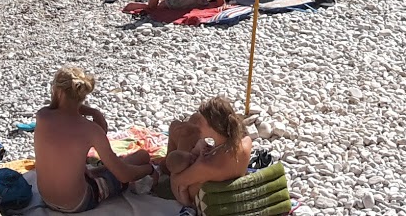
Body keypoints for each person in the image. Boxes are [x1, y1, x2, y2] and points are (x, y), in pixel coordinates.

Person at [34, 66, 152, 213]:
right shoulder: (90, 130)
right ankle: (149, 171)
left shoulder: (42, 116)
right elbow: (123, 175)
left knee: (102, 168)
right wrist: (149, 169)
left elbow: (63, 108)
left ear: (57, 91)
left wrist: (89, 111)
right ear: (83, 95)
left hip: (46, 198)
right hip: (77, 202)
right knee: (142, 156)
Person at [161, 96, 252, 208]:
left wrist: (179, 163)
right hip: (217, 175)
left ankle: (162, 169)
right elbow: (221, 153)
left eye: (202, 122)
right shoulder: (245, 142)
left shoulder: (206, 165)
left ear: (213, 127)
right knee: (193, 119)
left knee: (180, 130)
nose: (198, 125)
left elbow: (176, 182)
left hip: (191, 196)